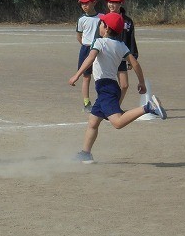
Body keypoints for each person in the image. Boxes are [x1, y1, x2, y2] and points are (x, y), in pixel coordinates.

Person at [69, 12, 167, 164]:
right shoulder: (121, 46)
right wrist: (141, 82)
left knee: (117, 122)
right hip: (109, 88)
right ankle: (85, 153)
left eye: (101, 24)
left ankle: (148, 107)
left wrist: (77, 75)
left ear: (107, 28)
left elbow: (90, 57)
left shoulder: (99, 42)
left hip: (106, 88)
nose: (100, 26)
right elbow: (135, 63)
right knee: (93, 122)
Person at [105, 0, 138, 104]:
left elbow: (131, 39)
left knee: (124, 85)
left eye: (114, 2)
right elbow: (98, 37)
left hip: (121, 57)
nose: (111, 4)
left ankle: (116, 106)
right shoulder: (104, 19)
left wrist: (133, 57)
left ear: (120, 4)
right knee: (106, 85)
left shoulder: (127, 21)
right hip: (107, 57)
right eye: (109, 2)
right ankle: (107, 106)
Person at [75, 0, 102, 112]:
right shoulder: (81, 19)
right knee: (86, 77)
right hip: (86, 49)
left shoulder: (101, 17)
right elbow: (79, 36)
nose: (84, 6)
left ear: (94, 3)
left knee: (100, 76)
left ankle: (101, 101)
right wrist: (86, 45)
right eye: (82, 4)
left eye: (87, 3)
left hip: (99, 49)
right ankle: (86, 103)